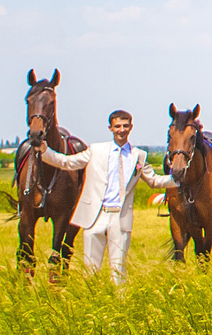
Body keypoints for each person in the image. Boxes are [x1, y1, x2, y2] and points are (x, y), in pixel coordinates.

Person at [30, 109, 175, 285]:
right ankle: (92, 303)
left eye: (125, 126)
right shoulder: (95, 150)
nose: (121, 129)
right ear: (111, 128)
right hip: (95, 216)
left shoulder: (139, 156)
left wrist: (180, 180)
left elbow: (155, 181)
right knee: (90, 270)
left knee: (119, 271)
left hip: (121, 218)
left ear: (131, 127)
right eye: (117, 126)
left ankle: (119, 306)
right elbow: (66, 162)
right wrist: (45, 152)